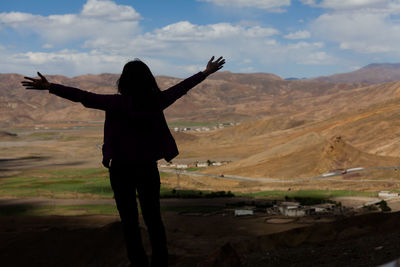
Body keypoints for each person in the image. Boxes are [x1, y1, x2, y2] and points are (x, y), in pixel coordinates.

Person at [21, 56, 225, 267]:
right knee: (153, 219)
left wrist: (50, 87)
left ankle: (138, 264)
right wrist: (206, 72)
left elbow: (83, 97)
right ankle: (160, 263)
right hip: (147, 169)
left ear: (123, 81)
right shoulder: (156, 101)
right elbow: (182, 88)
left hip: (121, 171)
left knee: (129, 222)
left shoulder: (114, 103)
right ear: (149, 80)